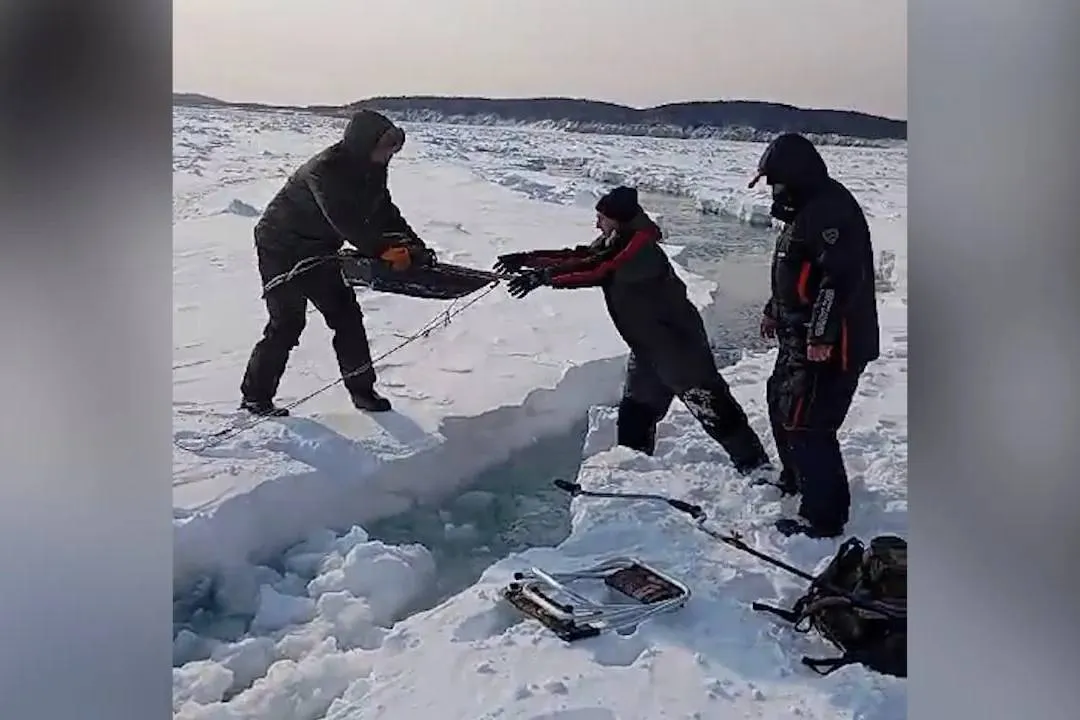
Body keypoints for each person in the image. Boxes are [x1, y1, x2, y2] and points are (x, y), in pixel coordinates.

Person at [497, 186, 771, 475]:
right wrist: (528, 259)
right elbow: (581, 257)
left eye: (601, 217)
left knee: (714, 409)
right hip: (648, 349)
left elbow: (599, 270)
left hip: (678, 347)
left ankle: (757, 468)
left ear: (618, 219)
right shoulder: (617, 240)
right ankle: (633, 473)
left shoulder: (639, 249)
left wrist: (544, 278)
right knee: (635, 415)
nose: (597, 224)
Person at [238, 109, 435, 417]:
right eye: (384, 148)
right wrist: (381, 248)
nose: (388, 156)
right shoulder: (325, 169)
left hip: (321, 248)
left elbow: (383, 211)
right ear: (363, 143)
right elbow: (345, 220)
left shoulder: (371, 168)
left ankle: (363, 392)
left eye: (392, 150)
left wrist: (414, 244)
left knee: (347, 318)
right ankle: (255, 397)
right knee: (287, 324)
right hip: (280, 247)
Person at [750, 133, 881, 538]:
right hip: (798, 336)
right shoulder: (805, 211)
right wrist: (776, 309)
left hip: (833, 344)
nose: (774, 191)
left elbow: (838, 279)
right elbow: (795, 271)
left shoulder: (829, 213)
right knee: (782, 404)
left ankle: (823, 518)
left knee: (808, 424)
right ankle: (797, 478)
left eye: (778, 182)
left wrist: (822, 336)